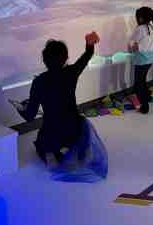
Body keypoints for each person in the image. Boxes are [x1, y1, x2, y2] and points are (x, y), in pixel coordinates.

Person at [9, 33, 100, 166]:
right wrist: (89, 43)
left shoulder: (39, 81)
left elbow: (30, 115)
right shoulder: (71, 72)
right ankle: (72, 148)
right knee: (75, 131)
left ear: (44, 60)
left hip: (53, 131)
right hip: (74, 128)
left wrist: (19, 108)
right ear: (66, 58)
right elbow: (87, 56)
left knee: (42, 143)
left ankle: (52, 152)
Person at [128, 6, 153, 114]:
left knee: (139, 84)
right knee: (142, 80)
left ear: (140, 18)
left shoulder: (140, 29)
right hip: (149, 59)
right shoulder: (151, 26)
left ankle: (144, 106)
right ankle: (147, 97)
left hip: (141, 59)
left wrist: (133, 47)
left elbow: (133, 43)